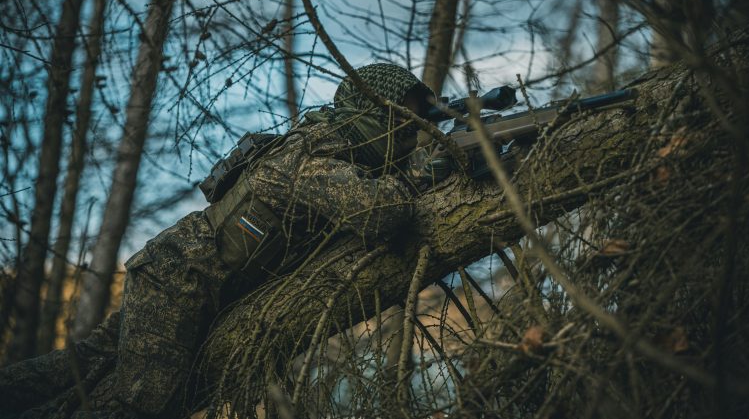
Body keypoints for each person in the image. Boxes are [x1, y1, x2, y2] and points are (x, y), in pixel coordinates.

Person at [0, 63, 437, 419]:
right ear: (370, 111)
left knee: (85, 368)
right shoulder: (311, 154)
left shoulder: (332, 151)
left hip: (177, 272)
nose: (410, 132)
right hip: (182, 279)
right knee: (136, 405)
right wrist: (423, 173)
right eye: (402, 119)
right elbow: (382, 213)